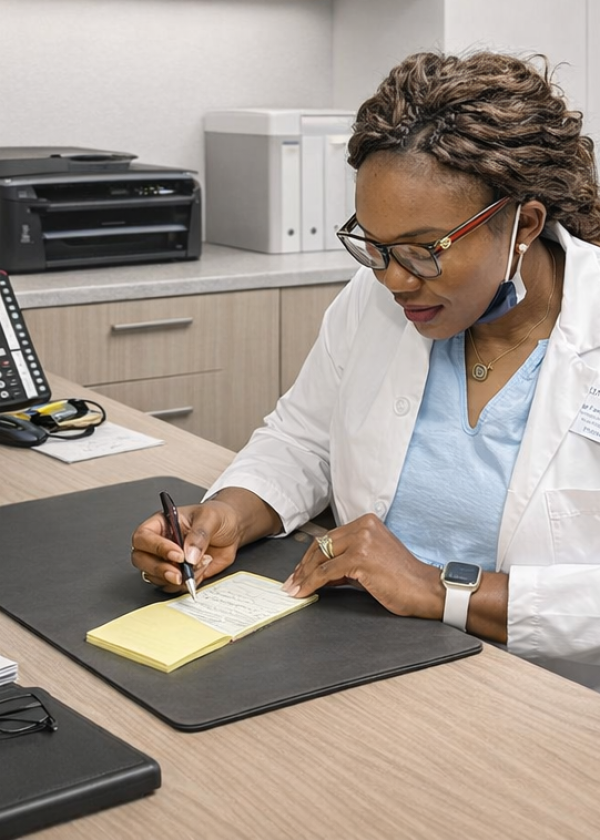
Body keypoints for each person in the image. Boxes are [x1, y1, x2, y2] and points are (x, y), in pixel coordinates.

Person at [132, 50, 600, 690]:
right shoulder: (376, 300)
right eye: (374, 246)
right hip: (367, 659)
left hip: (550, 696)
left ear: (525, 225)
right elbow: (302, 440)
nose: (394, 280)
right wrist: (227, 517)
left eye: (423, 250)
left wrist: (440, 591)